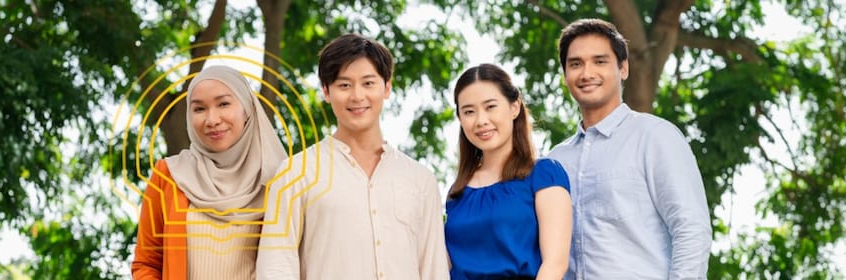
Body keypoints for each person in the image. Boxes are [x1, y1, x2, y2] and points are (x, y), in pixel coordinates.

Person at [255, 33, 449, 280]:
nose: (357, 96)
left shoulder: (420, 180)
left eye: (368, 83)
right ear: (326, 91)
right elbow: (276, 268)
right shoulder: (295, 172)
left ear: (387, 87)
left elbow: (434, 270)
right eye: (344, 85)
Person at [545, 18, 712, 279]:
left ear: (623, 68)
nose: (587, 73)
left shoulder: (655, 137)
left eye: (600, 61)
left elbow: (691, 229)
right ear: (565, 75)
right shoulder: (555, 161)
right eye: (575, 64)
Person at [132, 65, 287, 279]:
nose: (212, 120)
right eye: (199, 109)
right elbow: (146, 264)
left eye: (223, 104)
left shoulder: (278, 180)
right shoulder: (168, 175)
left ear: (247, 109)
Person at [444, 63, 572, 280]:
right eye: (469, 112)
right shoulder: (457, 192)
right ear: (460, 119)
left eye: (490, 107)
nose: (481, 121)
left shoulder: (544, 175)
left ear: (514, 107)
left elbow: (555, 264)